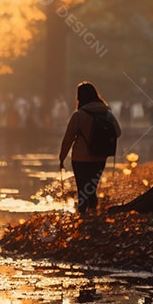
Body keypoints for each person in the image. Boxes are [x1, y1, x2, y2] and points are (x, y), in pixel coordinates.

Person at [59, 82, 122, 214]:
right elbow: (118, 132)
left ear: (80, 98)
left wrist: (62, 157)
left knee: (82, 187)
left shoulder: (78, 116)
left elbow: (68, 138)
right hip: (100, 156)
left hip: (80, 158)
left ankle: (83, 216)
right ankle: (93, 211)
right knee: (92, 187)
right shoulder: (107, 114)